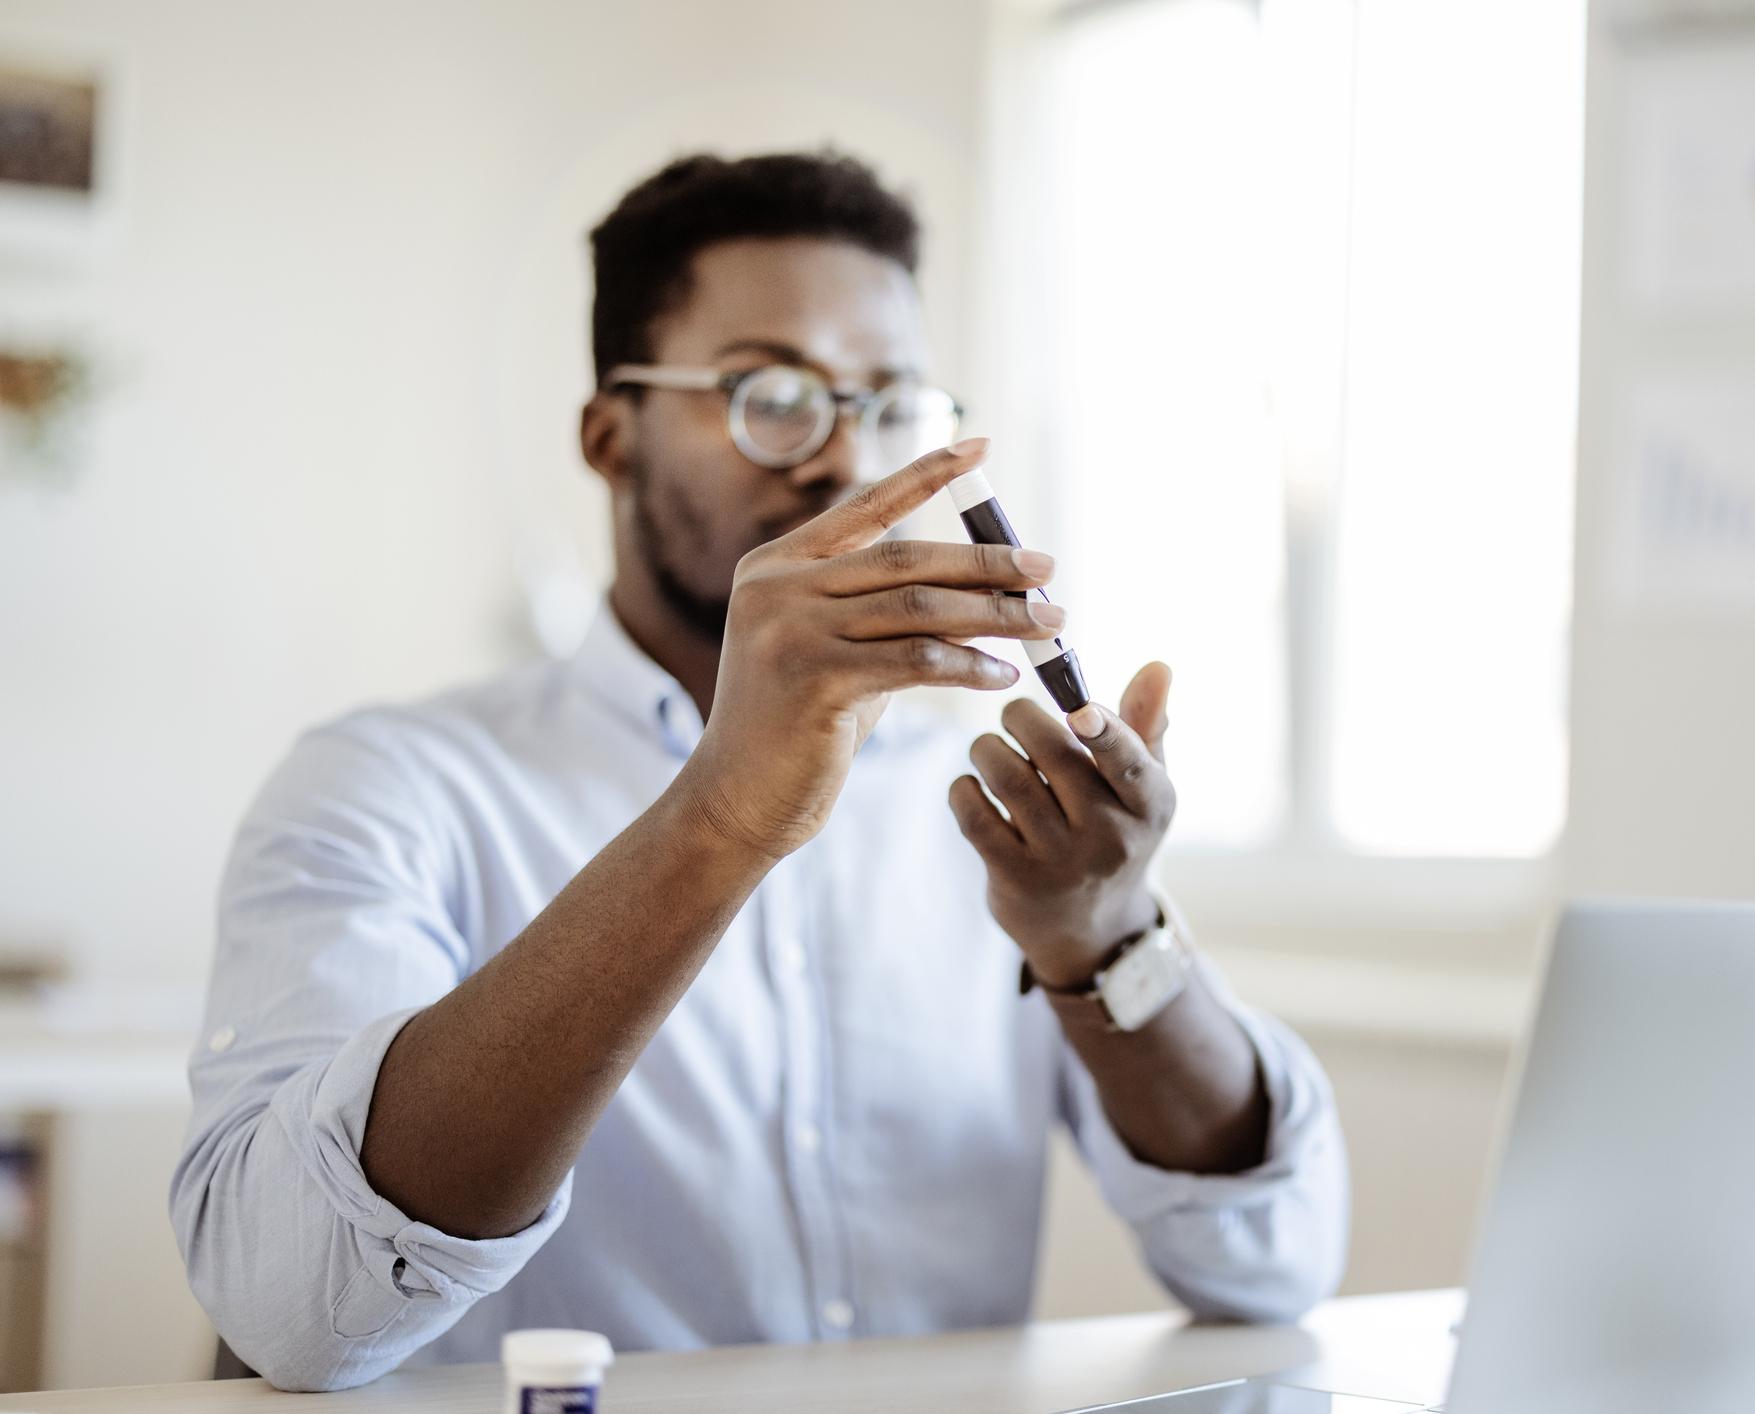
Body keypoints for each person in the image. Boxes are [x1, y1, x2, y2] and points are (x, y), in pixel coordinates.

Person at [170, 150, 1348, 1393]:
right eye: (769, 394)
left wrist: (1103, 937)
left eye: (887, 404)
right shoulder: (387, 787)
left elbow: (1270, 1262)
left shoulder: (1003, 809)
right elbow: (294, 1305)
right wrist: (722, 816)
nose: (841, 463)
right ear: (609, 435)